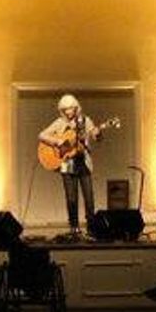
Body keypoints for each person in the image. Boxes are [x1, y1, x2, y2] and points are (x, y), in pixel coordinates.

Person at [38, 94, 101, 238]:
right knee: (71, 198)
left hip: (83, 162)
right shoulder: (59, 123)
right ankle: (74, 228)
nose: (68, 112)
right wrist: (57, 142)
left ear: (76, 108)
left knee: (89, 196)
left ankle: (91, 228)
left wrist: (97, 133)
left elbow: (95, 136)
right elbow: (41, 135)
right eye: (64, 109)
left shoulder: (85, 121)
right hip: (67, 163)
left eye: (70, 109)